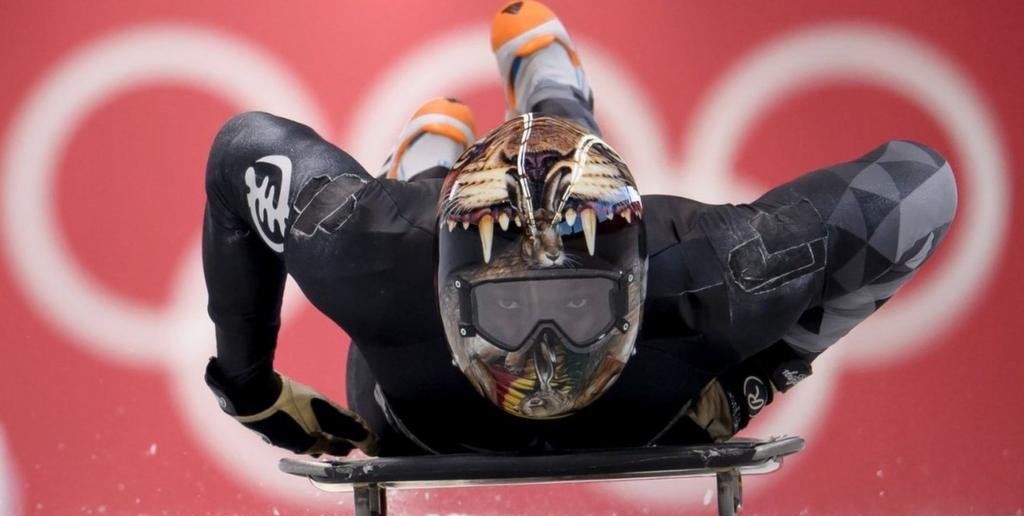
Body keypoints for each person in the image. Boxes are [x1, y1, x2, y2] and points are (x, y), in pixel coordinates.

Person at [202, 1, 957, 457]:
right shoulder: (715, 276)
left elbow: (242, 150)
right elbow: (918, 190)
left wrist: (250, 386)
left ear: (637, 286)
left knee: (438, 192)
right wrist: (762, 369)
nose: (545, 361)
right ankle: (523, 106)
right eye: (506, 311)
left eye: (576, 307)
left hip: (414, 407)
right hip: (432, 278)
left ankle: (484, 124)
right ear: (444, 288)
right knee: (422, 199)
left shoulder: (710, 270)